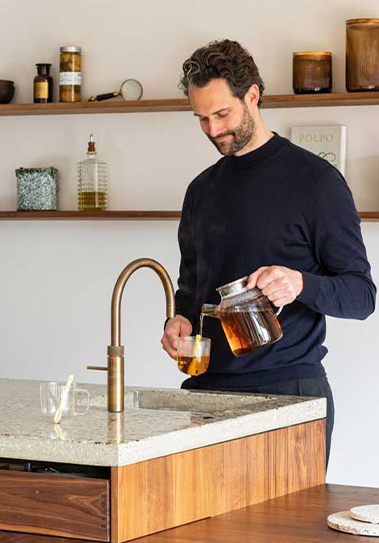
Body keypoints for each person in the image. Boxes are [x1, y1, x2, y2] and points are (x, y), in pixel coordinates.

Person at [161, 39, 376, 467]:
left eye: (221, 114)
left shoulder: (315, 182)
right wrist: (179, 318)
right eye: (201, 119)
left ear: (253, 95)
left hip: (288, 396)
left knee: (282, 537)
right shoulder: (201, 190)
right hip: (207, 394)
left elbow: (361, 296)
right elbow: (191, 288)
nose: (213, 129)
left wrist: (299, 283)